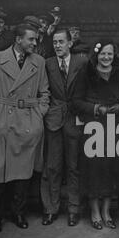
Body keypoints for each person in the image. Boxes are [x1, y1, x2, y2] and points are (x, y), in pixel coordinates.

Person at [0, 23, 50, 233]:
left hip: (28, 121)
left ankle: (18, 213)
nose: (35, 43)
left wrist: (38, 115)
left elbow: (44, 93)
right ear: (18, 39)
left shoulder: (39, 62)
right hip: (2, 121)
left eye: (36, 39)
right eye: (31, 39)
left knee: (22, 173)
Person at [74, 39, 119, 230]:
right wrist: (97, 108)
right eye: (103, 54)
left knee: (112, 170)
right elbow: (77, 101)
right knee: (94, 170)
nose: (106, 57)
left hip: (116, 126)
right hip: (94, 127)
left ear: (114, 56)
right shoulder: (86, 72)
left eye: (110, 54)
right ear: (97, 55)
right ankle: (95, 212)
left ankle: (107, 211)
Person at [40, 28, 88, 226]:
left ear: (70, 43)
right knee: (52, 166)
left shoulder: (82, 62)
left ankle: (74, 209)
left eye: (61, 42)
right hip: (54, 119)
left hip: (75, 118)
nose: (57, 46)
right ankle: (51, 209)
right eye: (55, 42)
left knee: (74, 166)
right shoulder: (48, 63)